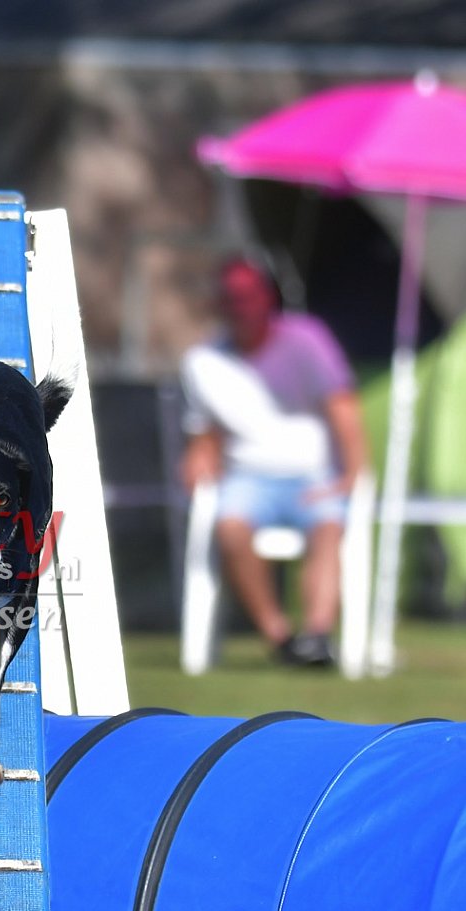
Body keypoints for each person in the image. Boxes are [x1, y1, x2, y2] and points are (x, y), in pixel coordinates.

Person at [179, 256, 369, 667]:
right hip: (247, 478)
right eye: (232, 297)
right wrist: (197, 459)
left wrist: (353, 472)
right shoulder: (202, 361)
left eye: (248, 296)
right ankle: (281, 638)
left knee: (328, 528)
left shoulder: (308, 341)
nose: (241, 307)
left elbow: (343, 407)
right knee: (230, 529)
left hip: (313, 475)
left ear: (269, 298)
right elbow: (205, 435)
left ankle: (317, 635)